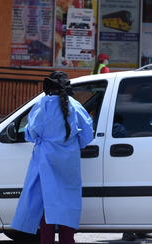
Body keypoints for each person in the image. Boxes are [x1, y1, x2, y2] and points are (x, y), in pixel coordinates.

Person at [11, 71, 94, 244]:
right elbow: (87, 134)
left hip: (45, 161)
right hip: (69, 162)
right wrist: (71, 145)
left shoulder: (43, 104)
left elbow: (31, 132)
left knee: (46, 208)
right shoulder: (75, 105)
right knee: (68, 206)